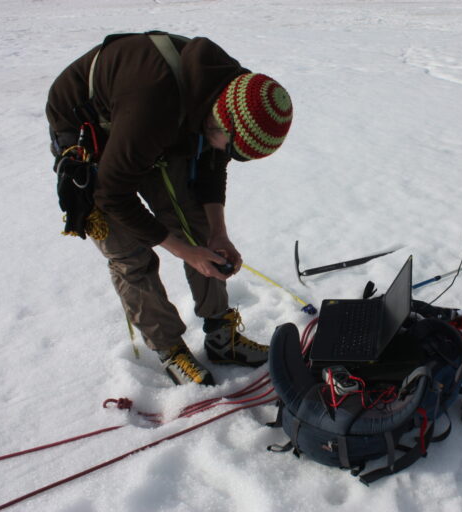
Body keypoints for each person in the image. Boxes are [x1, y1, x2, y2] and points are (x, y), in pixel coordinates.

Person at [46, 32, 293, 386]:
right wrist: (182, 250)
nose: (227, 155)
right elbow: (112, 193)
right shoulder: (154, 104)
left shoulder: (232, 92)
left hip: (150, 124)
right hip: (90, 129)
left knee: (197, 227)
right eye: (230, 148)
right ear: (219, 121)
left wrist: (218, 233)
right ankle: (169, 348)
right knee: (130, 253)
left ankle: (221, 336)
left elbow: (212, 164)